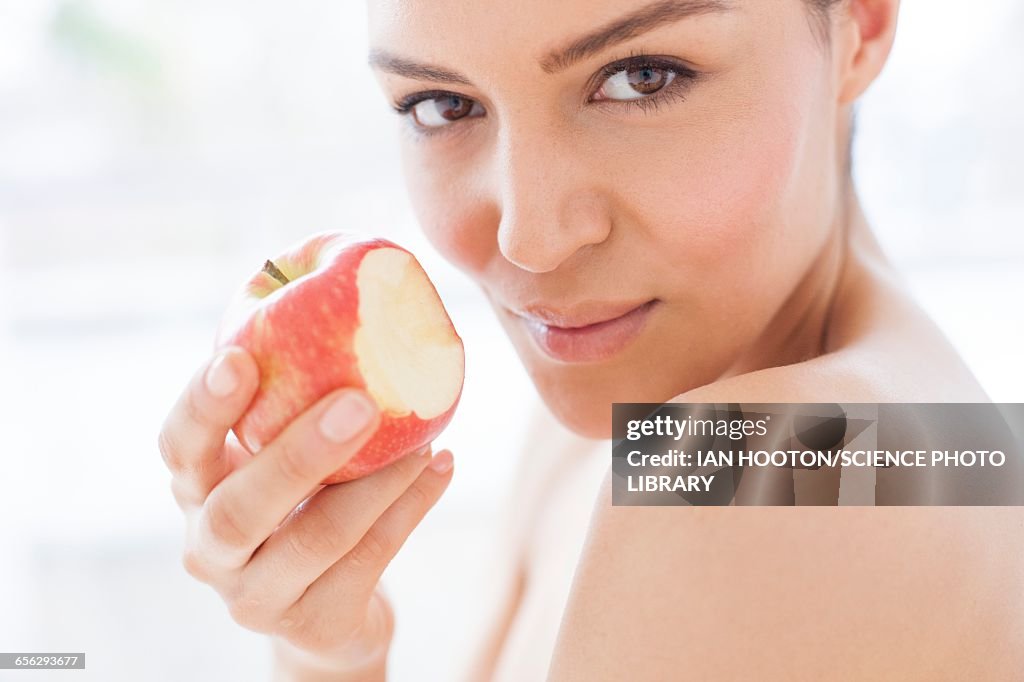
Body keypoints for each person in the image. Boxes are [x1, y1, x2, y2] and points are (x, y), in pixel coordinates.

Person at [158, 0, 1024, 679]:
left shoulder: (749, 474)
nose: (529, 242)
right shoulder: (626, 404)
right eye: (441, 103)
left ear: (861, 24)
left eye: (642, 77)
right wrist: (330, 649)